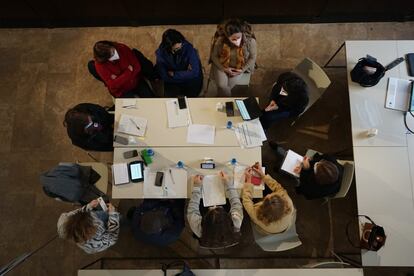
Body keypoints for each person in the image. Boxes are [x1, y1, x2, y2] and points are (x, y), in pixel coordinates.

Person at [187, 171, 243, 248]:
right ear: (228, 218)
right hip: (223, 239)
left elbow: (192, 208)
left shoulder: (198, 229)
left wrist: (197, 186)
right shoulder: (236, 222)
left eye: (211, 209)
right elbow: (236, 203)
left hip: (207, 239)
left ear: (205, 220)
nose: (214, 205)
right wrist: (228, 183)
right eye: (218, 207)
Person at [89, 40, 155, 98]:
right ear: (105, 59)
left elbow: (137, 67)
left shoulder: (121, 47)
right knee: (132, 110)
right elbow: (113, 85)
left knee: (152, 100)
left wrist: (118, 78)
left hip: (136, 81)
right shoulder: (100, 66)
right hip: (121, 91)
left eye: (113, 50)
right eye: (111, 55)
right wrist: (129, 71)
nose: (115, 54)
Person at [242, 162, 294, 234]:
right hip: (284, 226)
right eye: (271, 195)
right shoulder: (288, 201)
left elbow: (246, 201)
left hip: (268, 230)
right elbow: (278, 188)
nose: (268, 194)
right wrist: (263, 175)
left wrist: (248, 181)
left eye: (266, 199)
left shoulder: (257, 216)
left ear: (263, 209)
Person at [210, 18, 257, 96]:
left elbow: (252, 57)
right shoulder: (220, 40)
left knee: (225, 89)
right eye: (233, 39)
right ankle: (228, 104)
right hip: (221, 65)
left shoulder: (250, 41)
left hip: (239, 67)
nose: (237, 41)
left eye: (239, 37)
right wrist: (224, 69)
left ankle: (221, 103)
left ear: (241, 33)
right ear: (227, 37)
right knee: (222, 86)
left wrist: (242, 70)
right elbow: (214, 56)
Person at [155, 29, 203, 97]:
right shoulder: (161, 53)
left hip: (190, 82)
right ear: (169, 48)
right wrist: (187, 73)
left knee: (191, 98)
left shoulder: (188, 48)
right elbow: (164, 76)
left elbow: (195, 72)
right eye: (176, 49)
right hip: (172, 83)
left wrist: (175, 74)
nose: (180, 48)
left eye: (181, 46)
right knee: (170, 100)